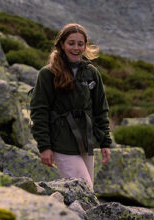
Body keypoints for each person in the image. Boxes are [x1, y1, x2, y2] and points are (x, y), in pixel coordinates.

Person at [30, 23, 112, 191]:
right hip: (61, 142)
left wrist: (104, 142)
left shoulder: (92, 73)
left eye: (80, 44)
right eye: (71, 43)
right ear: (62, 44)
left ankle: (66, 214)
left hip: (86, 142)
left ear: (85, 46)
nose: (76, 48)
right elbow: (39, 112)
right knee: (85, 190)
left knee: (86, 192)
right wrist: (44, 147)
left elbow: (100, 110)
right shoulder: (48, 74)